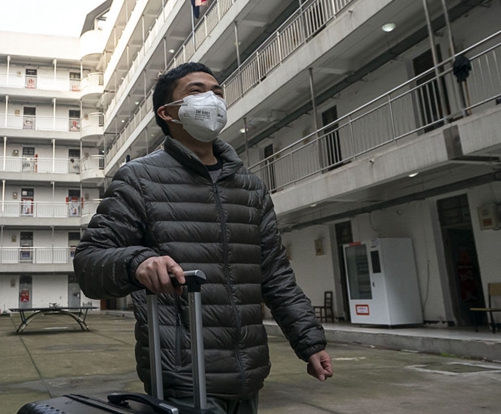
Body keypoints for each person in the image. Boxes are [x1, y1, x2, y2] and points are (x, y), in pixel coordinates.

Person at [74, 62, 332, 414]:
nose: (211, 99)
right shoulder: (139, 179)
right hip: (181, 373)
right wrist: (137, 263)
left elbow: (275, 275)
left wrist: (310, 342)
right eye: (196, 91)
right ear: (167, 113)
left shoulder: (250, 187)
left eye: (217, 92)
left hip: (250, 372)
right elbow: (89, 262)